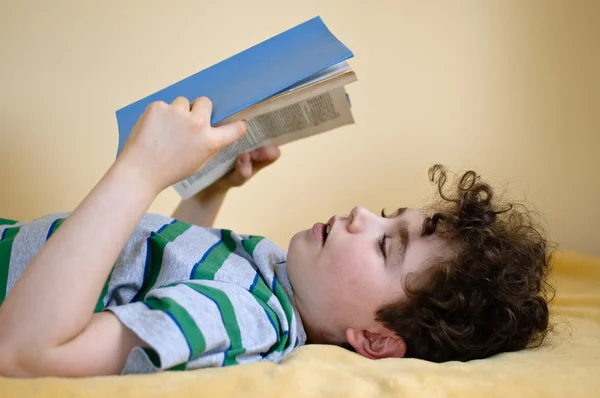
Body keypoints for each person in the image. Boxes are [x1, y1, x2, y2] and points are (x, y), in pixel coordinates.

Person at [0, 96, 553, 378]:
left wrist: (139, 172)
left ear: (376, 340)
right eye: (388, 215)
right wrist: (210, 192)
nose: (363, 213)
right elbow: (152, 271)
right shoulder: (270, 279)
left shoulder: (247, 318)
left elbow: (25, 352)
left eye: (387, 245)